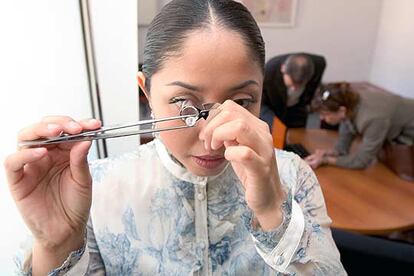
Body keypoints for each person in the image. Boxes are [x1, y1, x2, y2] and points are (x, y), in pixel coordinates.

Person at [5, 1, 346, 275]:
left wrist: (274, 210)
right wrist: (55, 246)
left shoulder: (293, 176)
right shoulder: (97, 190)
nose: (213, 139)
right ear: (147, 92)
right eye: (184, 105)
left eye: (241, 103)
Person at [306, 82, 414, 170]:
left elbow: (362, 161)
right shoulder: (349, 104)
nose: (321, 118)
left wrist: (326, 160)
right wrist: (330, 153)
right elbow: (343, 145)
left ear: (341, 110)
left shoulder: (372, 118)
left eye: (324, 114)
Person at [260, 53, 326, 129]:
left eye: (300, 85)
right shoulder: (268, 71)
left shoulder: (319, 64)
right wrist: (273, 123)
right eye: (291, 84)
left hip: (299, 108)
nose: (294, 89)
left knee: (297, 135)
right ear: (283, 68)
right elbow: (261, 103)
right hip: (275, 110)